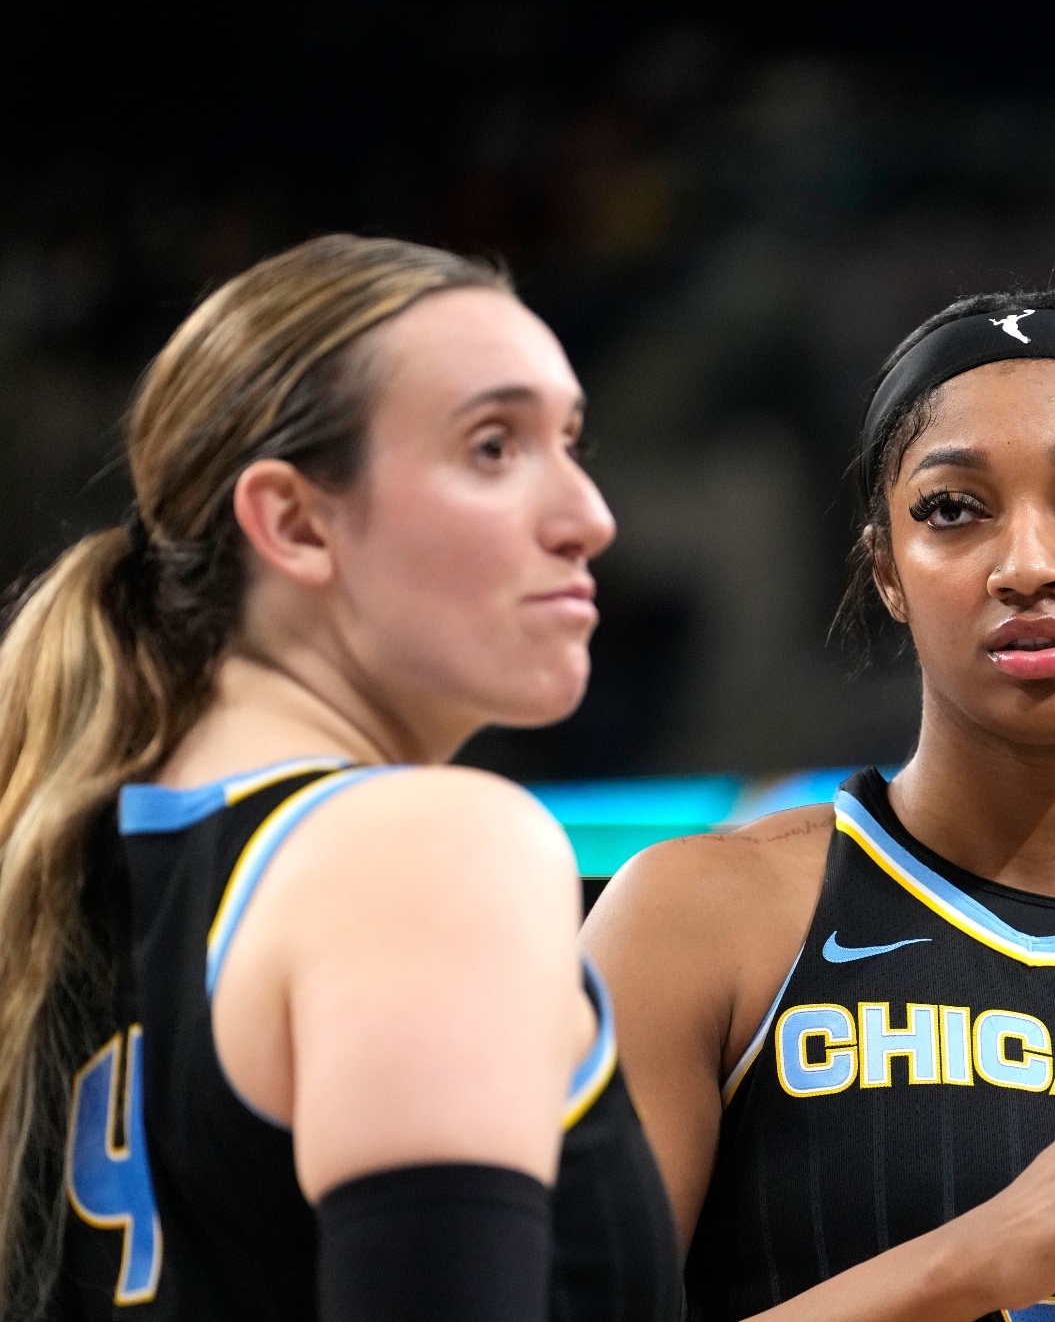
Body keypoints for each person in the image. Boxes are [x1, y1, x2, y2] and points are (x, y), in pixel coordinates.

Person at [0, 235, 679, 1321]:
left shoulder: (54, 858)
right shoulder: (423, 849)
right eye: (495, 446)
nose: (589, 517)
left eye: (573, 440)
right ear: (296, 521)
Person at [584, 289, 1055, 1322]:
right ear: (885, 567)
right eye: (952, 509)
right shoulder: (700, 917)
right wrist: (974, 1260)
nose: (1028, 565)